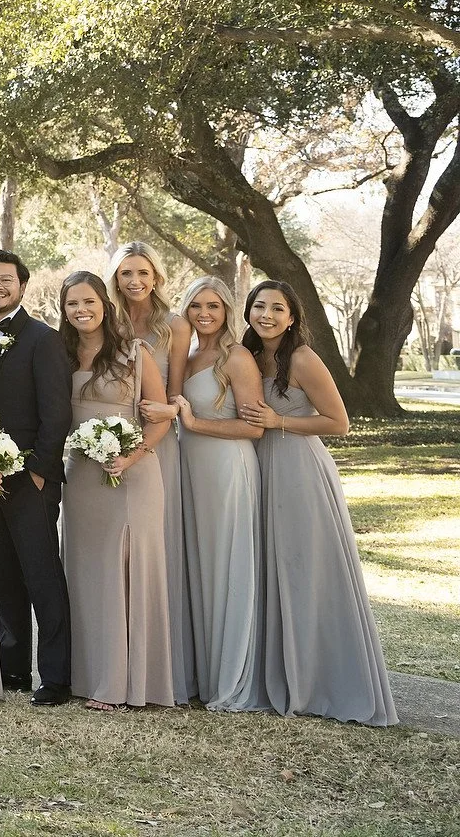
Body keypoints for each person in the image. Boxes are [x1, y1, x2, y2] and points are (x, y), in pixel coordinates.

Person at [239, 280, 397, 725]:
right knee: (271, 570)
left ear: (292, 318)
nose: (266, 314)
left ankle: (321, 680)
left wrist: (279, 420)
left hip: (299, 471)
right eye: (259, 306)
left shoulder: (303, 359)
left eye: (276, 308)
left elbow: (339, 422)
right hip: (260, 469)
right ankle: (280, 674)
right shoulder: (249, 357)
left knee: (305, 570)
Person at [60, 270, 173, 710]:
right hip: (82, 476)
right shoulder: (61, 353)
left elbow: (160, 417)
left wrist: (130, 456)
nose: (81, 310)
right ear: (64, 310)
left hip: (131, 472)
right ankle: (89, 676)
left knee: (124, 571)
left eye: (88, 301)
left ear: (104, 305)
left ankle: (123, 684)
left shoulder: (134, 351)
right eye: (72, 304)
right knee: (88, 574)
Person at [154, 275, 267, 711]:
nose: (204, 313)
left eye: (214, 306)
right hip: (192, 468)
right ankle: (204, 672)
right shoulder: (191, 354)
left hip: (227, 466)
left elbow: (254, 426)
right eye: (196, 305)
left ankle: (232, 676)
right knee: (200, 565)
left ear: (227, 311)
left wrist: (195, 425)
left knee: (227, 563)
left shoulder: (236, 357)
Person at [0, 249, 72, 705]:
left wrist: (41, 473)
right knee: (1, 576)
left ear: (22, 286)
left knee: (42, 577)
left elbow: (56, 412)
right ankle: (12, 672)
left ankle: (56, 677)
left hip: (29, 477)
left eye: (6, 279)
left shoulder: (43, 339)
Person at [110, 241, 194, 705]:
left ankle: (160, 661)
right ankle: (114, 652)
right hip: (105, 444)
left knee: (156, 548)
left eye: (142, 272)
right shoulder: (108, 318)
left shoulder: (174, 326)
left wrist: (163, 410)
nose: (135, 281)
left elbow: (177, 395)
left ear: (156, 277)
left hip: (158, 446)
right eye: (125, 274)